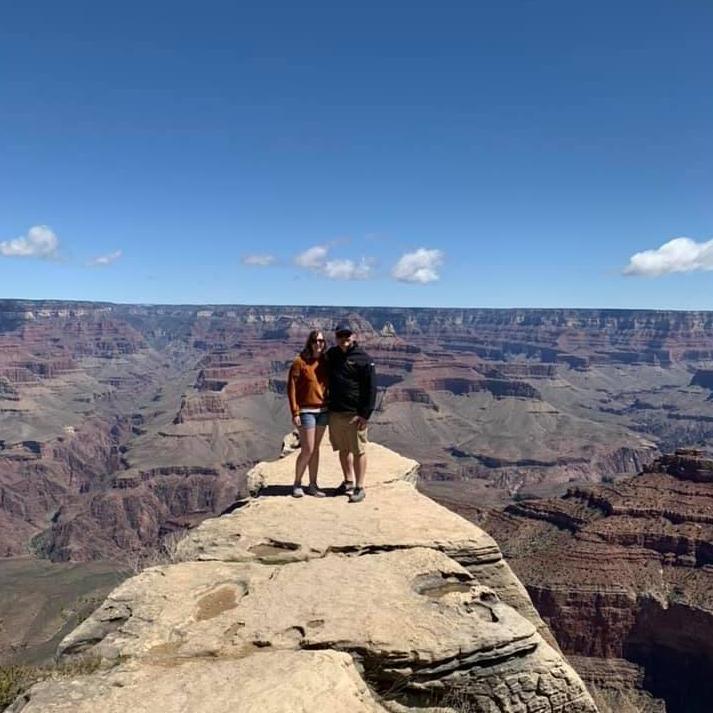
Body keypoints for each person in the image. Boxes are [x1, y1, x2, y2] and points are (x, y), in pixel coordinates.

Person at [326, 322, 376, 503]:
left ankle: (359, 487)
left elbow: (371, 388)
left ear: (353, 336)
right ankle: (348, 481)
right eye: (340, 336)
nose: (344, 339)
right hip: (336, 412)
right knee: (343, 449)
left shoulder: (363, 358)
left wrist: (365, 414)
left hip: (355, 414)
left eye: (347, 335)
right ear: (336, 337)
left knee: (358, 451)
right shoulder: (331, 355)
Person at [287, 330, 329, 498]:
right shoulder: (300, 362)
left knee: (316, 449)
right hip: (306, 411)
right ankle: (297, 483)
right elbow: (291, 388)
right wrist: (294, 412)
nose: (319, 343)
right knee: (308, 449)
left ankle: (313, 485)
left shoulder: (325, 361)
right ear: (310, 342)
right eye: (315, 340)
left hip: (323, 410)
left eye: (322, 341)